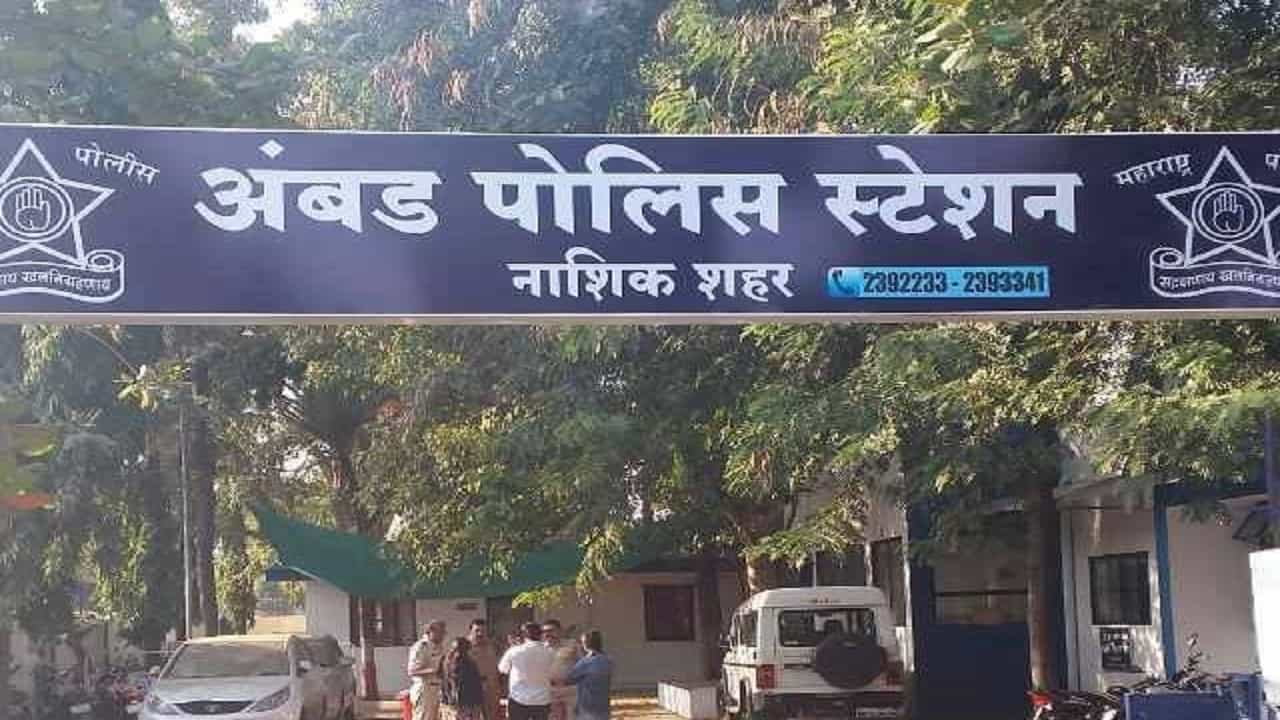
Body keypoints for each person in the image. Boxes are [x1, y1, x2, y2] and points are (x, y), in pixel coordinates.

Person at [498, 622, 556, 720]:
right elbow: (552, 671)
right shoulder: (550, 652)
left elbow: (502, 669)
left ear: (523, 635)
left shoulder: (514, 651)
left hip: (518, 698)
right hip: (542, 699)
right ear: (540, 635)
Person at [556, 631, 612, 720]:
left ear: (586, 644)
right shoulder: (608, 660)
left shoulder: (585, 662)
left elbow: (569, 679)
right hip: (604, 707)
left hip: (587, 707)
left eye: (582, 642)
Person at [408, 620, 449, 720]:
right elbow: (412, 671)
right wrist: (433, 670)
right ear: (431, 631)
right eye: (441, 632)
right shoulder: (421, 647)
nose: (443, 636)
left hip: (438, 689)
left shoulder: (440, 647)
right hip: (425, 690)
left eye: (444, 633)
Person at [543, 620, 582, 720]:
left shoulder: (572, 645)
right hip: (550, 690)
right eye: (545, 631)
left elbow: (582, 664)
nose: (547, 634)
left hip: (569, 689)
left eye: (551, 630)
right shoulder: (541, 648)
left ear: (559, 631)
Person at [439, 637, 485, 720]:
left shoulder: (469, 663)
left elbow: (476, 685)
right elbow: (444, 680)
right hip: (455, 703)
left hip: (464, 702)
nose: (458, 653)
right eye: (455, 650)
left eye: (461, 650)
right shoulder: (447, 662)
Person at [468, 619, 503, 720]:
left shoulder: (493, 646)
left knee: (492, 715)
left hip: (491, 688)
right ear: (470, 631)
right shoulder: (464, 646)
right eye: (477, 630)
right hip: (472, 687)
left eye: (483, 631)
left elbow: (500, 666)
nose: (480, 633)